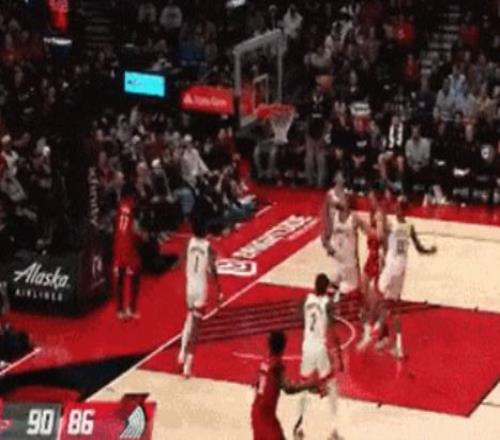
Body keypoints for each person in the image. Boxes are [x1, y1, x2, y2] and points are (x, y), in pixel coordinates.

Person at [373, 197, 436, 358]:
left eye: (398, 206)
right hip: (401, 269)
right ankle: (398, 346)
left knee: (378, 294)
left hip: (392, 268)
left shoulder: (391, 224)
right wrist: (430, 251)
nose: (396, 208)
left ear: (400, 209)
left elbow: (379, 236)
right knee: (393, 307)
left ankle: (380, 329)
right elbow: (420, 248)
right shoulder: (409, 226)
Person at [294, 274, 344, 440]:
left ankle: (299, 427)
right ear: (326, 288)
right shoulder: (327, 303)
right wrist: (339, 354)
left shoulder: (306, 299)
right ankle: (334, 430)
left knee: (303, 386)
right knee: (332, 385)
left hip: (307, 346)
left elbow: (299, 318)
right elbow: (333, 331)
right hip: (319, 347)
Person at [252, 330, 318, 440]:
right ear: (283, 347)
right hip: (267, 415)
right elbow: (288, 388)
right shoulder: (276, 364)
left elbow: (257, 384)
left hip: (257, 412)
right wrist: (308, 384)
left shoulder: (264, 362)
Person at [178, 221, 222, 378]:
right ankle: (187, 366)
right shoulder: (207, 246)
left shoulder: (188, 242)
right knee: (196, 328)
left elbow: (181, 260)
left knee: (188, 318)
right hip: (200, 288)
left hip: (189, 286)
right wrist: (219, 288)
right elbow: (212, 267)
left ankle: (181, 353)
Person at [321, 192, 366, 301]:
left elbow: (368, 231)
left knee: (348, 294)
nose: (341, 202)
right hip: (336, 260)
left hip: (349, 262)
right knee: (330, 290)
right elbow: (324, 236)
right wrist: (328, 247)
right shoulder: (334, 216)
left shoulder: (354, 218)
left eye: (345, 200)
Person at [112, 183, 147, 320]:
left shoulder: (119, 206)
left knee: (120, 277)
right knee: (136, 276)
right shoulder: (134, 208)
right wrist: (144, 236)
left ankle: (119, 310)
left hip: (118, 244)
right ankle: (131, 308)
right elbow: (135, 229)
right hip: (129, 246)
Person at [357, 190, 386, 350]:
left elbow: (380, 236)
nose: (369, 201)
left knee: (372, 291)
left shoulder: (379, 214)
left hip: (376, 257)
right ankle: (370, 317)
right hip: (372, 254)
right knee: (363, 286)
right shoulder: (373, 212)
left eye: (371, 198)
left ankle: (374, 322)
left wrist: (366, 228)